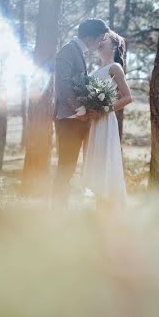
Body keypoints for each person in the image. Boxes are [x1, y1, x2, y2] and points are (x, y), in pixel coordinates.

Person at [53, 19, 108, 206]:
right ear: (89, 37)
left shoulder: (77, 52)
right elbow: (63, 84)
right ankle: (58, 211)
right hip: (69, 119)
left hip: (77, 119)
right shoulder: (67, 51)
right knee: (66, 167)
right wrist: (79, 108)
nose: (101, 42)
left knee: (71, 167)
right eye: (100, 38)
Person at [82, 30, 132, 204]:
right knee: (95, 162)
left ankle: (109, 206)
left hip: (104, 120)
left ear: (114, 47)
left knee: (104, 161)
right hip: (93, 121)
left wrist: (104, 110)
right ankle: (99, 207)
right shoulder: (97, 70)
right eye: (101, 38)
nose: (101, 41)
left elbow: (127, 97)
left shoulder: (115, 68)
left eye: (106, 39)